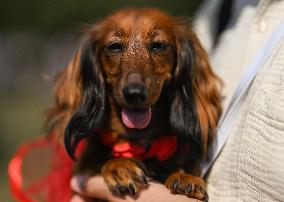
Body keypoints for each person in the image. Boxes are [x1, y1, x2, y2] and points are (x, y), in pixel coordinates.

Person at [70, 0, 284, 201]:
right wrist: (105, 168)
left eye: (158, 46)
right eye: (115, 47)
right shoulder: (219, 10)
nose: (134, 86)